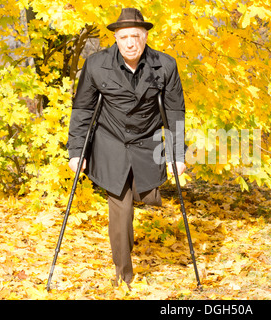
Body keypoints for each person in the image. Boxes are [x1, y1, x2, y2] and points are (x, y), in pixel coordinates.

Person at [66, 8, 186, 286]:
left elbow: (175, 110)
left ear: (144, 37)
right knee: (120, 207)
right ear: (116, 38)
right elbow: (83, 108)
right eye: (124, 37)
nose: (130, 43)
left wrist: (177, 154)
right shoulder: (97, 64)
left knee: (149, 195)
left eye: (135, 36)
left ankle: (145, 193)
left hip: (147, 141)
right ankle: (124, 275)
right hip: (111, 142)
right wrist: (76, 152)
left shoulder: (165, 65)